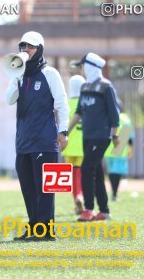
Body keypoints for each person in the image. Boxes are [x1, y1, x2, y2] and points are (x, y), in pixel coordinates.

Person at [4, 31, 69, 241]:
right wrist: (14, 76)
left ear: (39, 49)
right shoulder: (20, 76)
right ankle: (34, 227)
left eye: (30, 47)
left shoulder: (50, 74)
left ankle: (46, 231)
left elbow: (61, 104)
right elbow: (8, 99)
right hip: (23, 142)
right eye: (23, 47)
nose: (25, 51)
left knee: (45, 189)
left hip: (44, 141)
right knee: (28, 188)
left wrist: (63, 131)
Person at [68, 52, 120, 221]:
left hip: (101, 136)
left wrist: (115, 135)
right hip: (87, 136)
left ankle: (88, 209)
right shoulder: (84, 87)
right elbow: (78, 112)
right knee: (95, 170)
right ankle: (104, 211)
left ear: (89, 66)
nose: (81, 70)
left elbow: (114, 113)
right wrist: (65, 132)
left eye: (82, 66)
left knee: (86, 168)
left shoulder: (106, 86)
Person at [61, 75, 86, 214]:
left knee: (70, 175)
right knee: (80, 174)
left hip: (68, 145)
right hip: (83, 146)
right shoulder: (85, 103)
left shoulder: (66, 103)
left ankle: (76, 201)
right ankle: (80, 196)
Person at [104, 98, 134, 201]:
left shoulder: (107, 116)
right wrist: (130, 148)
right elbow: (129, 137)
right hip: (120, 146)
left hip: (108, 147)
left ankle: (113, 192)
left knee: (111, 171)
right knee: (118, 172)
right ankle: (115, 193)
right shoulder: (125, 119)